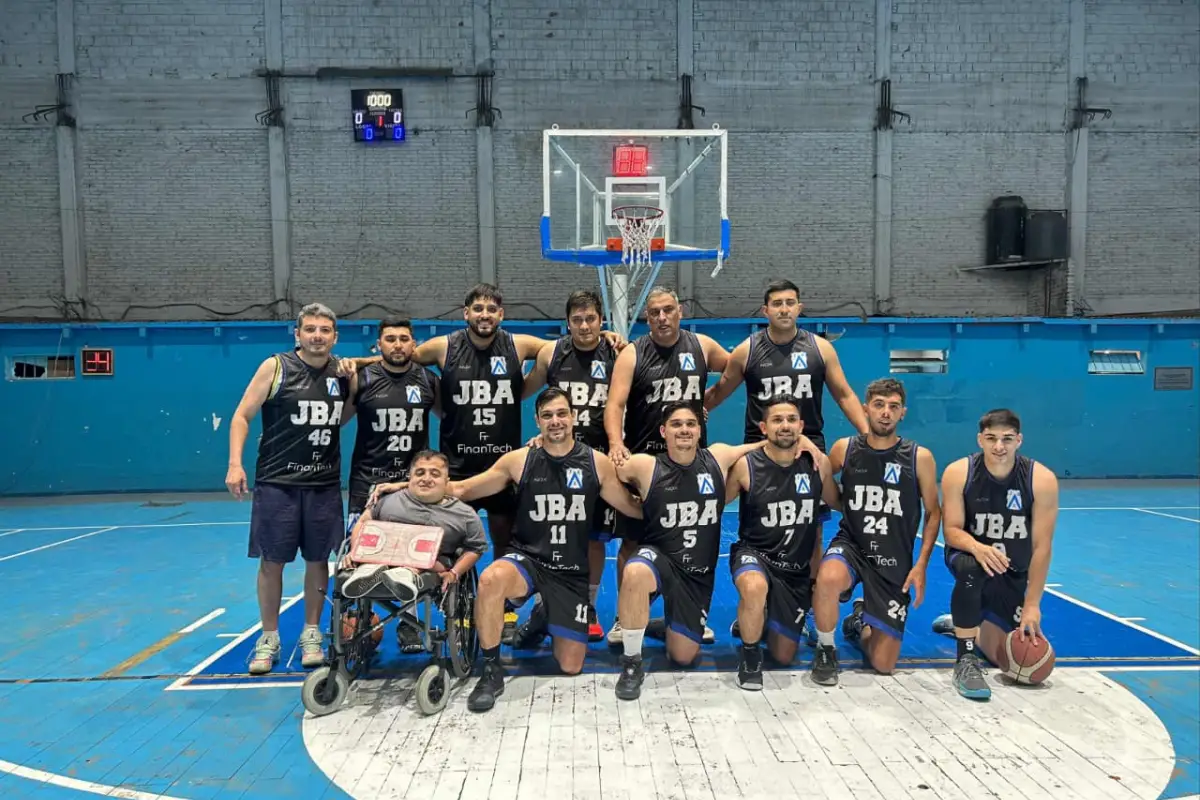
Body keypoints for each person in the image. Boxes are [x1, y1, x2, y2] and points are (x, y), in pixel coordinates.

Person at [343, 284, 621, 639]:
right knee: (448, 542)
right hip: (459, 466)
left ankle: (503, 610)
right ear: (466, 313)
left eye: (492, 309)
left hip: (503, 467)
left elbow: (565, 346)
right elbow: (402, 356)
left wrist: (606, 335)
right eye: (478, 309)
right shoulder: (445, 347)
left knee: (506, 540)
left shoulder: (519, 345)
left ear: (501, 315)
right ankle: (449, 610)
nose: (485, 315)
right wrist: (362, 362)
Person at [418, 388, 643, 713]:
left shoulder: (597, 463)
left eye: (562, 414)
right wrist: (405, 487)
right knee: (492, 579)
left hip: (570, 573)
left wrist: (667, 503)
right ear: (537, 421)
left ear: (573, 417)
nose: (556, 421)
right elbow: (464, 488)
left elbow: (629, 506)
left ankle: (544, 615)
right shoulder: (519, 461)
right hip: (528, 561)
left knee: (570, 665)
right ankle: (492, 671)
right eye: (548, 415)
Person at [225, 303, 350, 675]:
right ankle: (269, 636)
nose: (317, 336)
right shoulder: (275, 367)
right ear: (297, 334)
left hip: (323, 484)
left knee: (318, 560)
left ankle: (312, 632)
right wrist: (235, 463)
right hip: (278, 483)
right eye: (309, 329)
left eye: (324, 330)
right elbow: (241, 415)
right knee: (272, 562)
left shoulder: (342, 373)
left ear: (334, 337)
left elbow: (345, 414)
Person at [611, 403, 767, 701]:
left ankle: (659, 624)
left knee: (683, 656)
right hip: (660, 559)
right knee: (634, 570)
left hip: (696, 575)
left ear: (699, 430)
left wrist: (801, 441)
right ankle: (632, 662)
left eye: (691, 424)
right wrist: (631, 506)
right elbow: (606, 470)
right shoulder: (645, 465)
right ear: (663, 431)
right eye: (676, 424)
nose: (684, 430)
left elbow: (759, 446)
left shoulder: (718, 457)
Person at [603, 286, 731, 645]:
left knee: (692, 542)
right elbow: (614, 405)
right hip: (646, 461)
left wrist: (711, 400)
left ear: (680, 310)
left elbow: (736, 368)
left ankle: (689, 613)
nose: (662, 317)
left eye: (668, 310)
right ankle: (622, 616)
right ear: (647, 317)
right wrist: (616, 443)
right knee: (632, 540)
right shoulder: (632, 353)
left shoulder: (702, 346)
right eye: (655, 312)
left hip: (691, 463)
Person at [810, 378, 942, 685]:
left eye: (893, 407)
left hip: (894, 558)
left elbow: (933, 512)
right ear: (866, 409)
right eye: (879, 405)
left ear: (902, 413)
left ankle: (859, 621)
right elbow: (828, 491)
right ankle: (826, 650)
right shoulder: (847, 448)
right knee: (828, 579)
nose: (886, 413)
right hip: (853, 545)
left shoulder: (918, 457)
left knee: (884, 665)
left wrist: (921, 564)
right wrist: (841, 494)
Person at [930, 409, 1059, 700]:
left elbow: (1042, 547)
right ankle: (965, 657)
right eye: (991, 438)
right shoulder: (959, 472)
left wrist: (1032, 606)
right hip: (970, 559)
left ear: (1019, 440)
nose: (999, 446)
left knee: (1009, 661)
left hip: (1013, 571)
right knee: (970, 569)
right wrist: (978, 547)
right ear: (980, 439)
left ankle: (964, 623)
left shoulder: (1041, 479)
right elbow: (950, 531)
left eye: (1007, 439)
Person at [520, 290, 618, 641]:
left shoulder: (617, 352)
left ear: (601, 320)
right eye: (577, 319)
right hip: (557, 458)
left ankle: (588, 605)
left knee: (593, 539)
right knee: (552, 531)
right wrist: (538, 436)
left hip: (599, 461)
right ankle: (547, 601)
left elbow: (626, 402)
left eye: (591, 318)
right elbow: (522, 391)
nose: (584, 325)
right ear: (568, 323)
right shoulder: (552, 353)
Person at [724, 395, 841, 690]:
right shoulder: (746, 466)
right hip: (755, 555)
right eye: (777, 420)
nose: (785, 426)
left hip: (794, 570)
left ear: (801, 425)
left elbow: (838, 502)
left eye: (791, 420)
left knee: (784, 655)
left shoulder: (817, 464)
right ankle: (750, 657)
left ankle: (758, 618)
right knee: (754, 587)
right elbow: (713, 507)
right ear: (763, 427)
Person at [703, 279, 868, 454]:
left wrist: (867, 435)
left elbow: (844, 396)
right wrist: (685, 413)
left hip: (808, 445)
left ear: (799, 308)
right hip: (760, 446)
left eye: (790, 303)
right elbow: (717, 393)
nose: (784, 310)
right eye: (777, 304)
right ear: (765, 311)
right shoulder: (746, 351)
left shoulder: (821, 349)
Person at [339, 450, 486, 606]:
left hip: (429, 564)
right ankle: (368, 573)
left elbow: (475, 547)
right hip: (381, 554)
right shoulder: (386, 500)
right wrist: (355, 551)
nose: (426, 479)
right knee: (371, 560)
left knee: (420, 564)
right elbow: (363, 523)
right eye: (420, 473)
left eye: (435, 474)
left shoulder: (464, 514)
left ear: (446, 480)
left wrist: (455, 573)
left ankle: (404, 575)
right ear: (410, 476)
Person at [346, 317, 440, 530]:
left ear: (413, 344)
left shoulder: (429, 380)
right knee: (361, 550)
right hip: (367, 481)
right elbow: (337, 421)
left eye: (403, 339)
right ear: (379, 345)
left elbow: (450, 419)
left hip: (413, 482)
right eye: (390, 339)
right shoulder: (361, 379)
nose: (397, 344)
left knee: (412, 553)